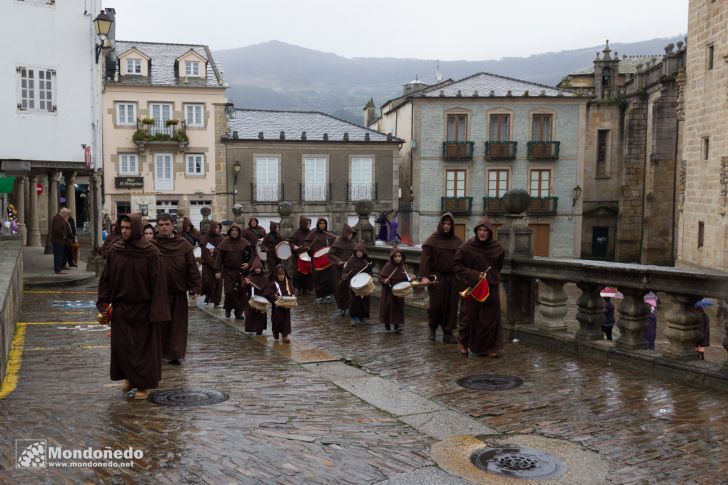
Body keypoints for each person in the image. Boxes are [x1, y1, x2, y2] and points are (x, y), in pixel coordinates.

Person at [97, 213, 170, 400]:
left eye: (128, 228)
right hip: (121, 307)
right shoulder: (116, 250)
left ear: (136, 228)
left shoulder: (151, 252)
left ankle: (143, 386)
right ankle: (129, 376)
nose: (124, 231)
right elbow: (107, 278)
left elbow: (158, 284)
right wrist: (103, 301)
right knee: (123, 347)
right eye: (121, 228)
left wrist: (158, 310)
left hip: (144, 309)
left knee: (142, 349)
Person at [153, 213, 202, 365]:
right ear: (157, 226)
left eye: (167, 224)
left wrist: (194, 287)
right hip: (158, 293)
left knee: (177, 325)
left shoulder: (183, 244)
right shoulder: (152, 245)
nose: (164, 227)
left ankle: (175, 354)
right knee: (160, 324)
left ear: (173, 225)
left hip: (179, 292)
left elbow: (192, 267)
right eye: (161, 225)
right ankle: (160, 352)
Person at [453, 217, 505, 357]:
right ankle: (462, 342)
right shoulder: (466, 247)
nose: (482, 233)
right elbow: (457, 266)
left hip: (490, 286)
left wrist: (490, 278)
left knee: (489, 319)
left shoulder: (497, 248)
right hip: (472, 286)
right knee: (468, 316)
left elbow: (498, 266)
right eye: (480, 230)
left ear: (490, 232)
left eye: (485, 230)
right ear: (476, 231)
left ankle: (488, 348)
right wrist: (475, 275)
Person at [419, 213, 463, 344]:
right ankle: (432, 328)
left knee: (452, 306)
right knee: (436, 305)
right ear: (440, 224)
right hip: (436, 278)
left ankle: (447, 332)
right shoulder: (432, 240)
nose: (446, 226)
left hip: (452, 279)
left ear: (452, 226)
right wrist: (424, 276)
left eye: (449, 224)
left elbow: (462, 259)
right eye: (444, 224)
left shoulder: (457, 241)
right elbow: (425, 260)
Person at [214, 224, 253, 320]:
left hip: (241, 272)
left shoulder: (245, 242)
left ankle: (238, 312)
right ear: (230, 232)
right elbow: (219, 258)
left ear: (239, 232)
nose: (234, 232)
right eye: (232, 230)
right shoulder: (224, 243)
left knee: (240, 292)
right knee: (230, 291)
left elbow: (252, 255)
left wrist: (248, 264)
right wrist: (218, 271)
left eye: (236, 230)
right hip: (228, 271)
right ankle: (228, 308)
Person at [305, 218, 337, 304]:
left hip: (328, 260)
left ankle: (327, 295)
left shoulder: (329, 234)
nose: (322, 225)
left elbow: (333, 246)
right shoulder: (313, 234)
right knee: (319, 278)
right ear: (318, 224)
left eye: (324, 223)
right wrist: (308, 249)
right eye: (321, 223)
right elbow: (307, 246)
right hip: (317, 261)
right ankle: (320, 296)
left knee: (329, 278)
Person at [379, 246, 409, 333]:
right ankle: (387, 322)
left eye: (399, 256)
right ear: (392, 257)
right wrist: (384, 280)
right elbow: (380, 277)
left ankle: (397, 325)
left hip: (399, 291)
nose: (398, 258)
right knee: (388, 306)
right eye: (396, 256)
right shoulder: (388, 266)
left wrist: (411, 277)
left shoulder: (403, 266)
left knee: (398, 307)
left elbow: (406, 278)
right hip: (389, 290)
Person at [329, 224, 357, 316]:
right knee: (340, 288)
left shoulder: (353, 243)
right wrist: (338, 261)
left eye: (352, 234)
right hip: (340, 269)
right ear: (345, 234)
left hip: (351, 269)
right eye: (349, 234)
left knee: (350, 288)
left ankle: (349, 306)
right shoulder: (338, 242)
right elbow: (330, 254)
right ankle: (342, 307)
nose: (351, 236)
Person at [265, 264, 294, 342]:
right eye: (279, 275)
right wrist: (273, 296)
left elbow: (291, 291)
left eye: (283, 274)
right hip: (277, 307)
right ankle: (275, 332)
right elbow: (267, 294)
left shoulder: (288, 283)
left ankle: (285, 335)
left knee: (286, 321)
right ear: (276, 275)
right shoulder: (273, 284)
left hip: (286, 306)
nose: (281, 276)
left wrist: (291, 296)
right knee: (277, 320)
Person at [345, 243, 372, 326]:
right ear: (355, 252)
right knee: (354, 301)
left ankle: (363, 317)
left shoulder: (365, 261)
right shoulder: (351, 261)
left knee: (364, 300)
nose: (359, 253)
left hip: (363, 284)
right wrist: (347, 274)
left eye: (361, 252)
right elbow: (346, 271)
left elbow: (369, 273)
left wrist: (369, 267)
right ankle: (354, 318)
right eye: (357, 251)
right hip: (354, 284)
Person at [200, 220, 223, 307]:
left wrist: (215, 251)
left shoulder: (221, 238)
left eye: (219, 228)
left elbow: (222, 251)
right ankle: (208, 296)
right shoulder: (206, 238)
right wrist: (212, 262)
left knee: (217, 284)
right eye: (216, 227)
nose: (217, 229)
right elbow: (205, 252)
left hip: (218, 265)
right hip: (207, 264)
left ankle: (216, 302)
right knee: (207, 282)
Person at [243, 259, 268, 335]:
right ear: (253, 269)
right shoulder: (249, 277)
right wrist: (247, 284)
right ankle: (251, 328)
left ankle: (259, 330)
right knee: (251, 314)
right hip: (252, 299)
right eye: (256, 268)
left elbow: (267, 287)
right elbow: (245, 289)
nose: (258, 270)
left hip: (262, 299)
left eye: (259, 268)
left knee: (261, 315)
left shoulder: (264, 278)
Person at [290, 216, 312, 294]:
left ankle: (306, 289)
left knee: (307, 273)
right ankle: (298, 288)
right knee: (298, 273)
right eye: (307, 223)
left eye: (309, 223)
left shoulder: (311, 233)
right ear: (303, 224)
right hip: (298, 256)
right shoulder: (297, 233)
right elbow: (291, 242)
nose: (309, 225)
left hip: (307, 256)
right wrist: (294, 246)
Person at [51, 207, 70, 274]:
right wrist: (63, 234)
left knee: (60, 255)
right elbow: (56, 229)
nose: (67, 215)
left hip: (59, 240)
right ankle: (58, 269)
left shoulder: (59, 218)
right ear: (63, 213)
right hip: (58, 240)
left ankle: (59, 268)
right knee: (58, 255)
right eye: (66, 213)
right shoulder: (57, 218)